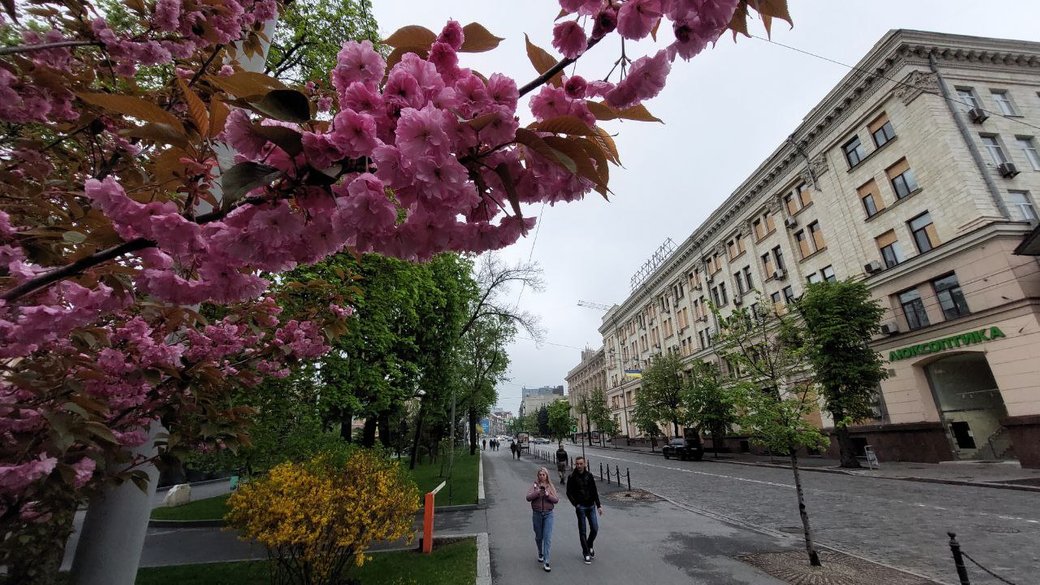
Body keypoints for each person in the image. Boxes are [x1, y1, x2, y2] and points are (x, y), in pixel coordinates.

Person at [566, 456, 602, 565]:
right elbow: (569, 492)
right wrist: (575, 504)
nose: (579, 466)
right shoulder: (572, 477)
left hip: (591, 506)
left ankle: (589, 544)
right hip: (580, 507)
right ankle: (586, 552)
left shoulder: (589, 475)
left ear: (585, 464)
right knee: (582, 531)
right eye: (577, 464)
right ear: (575, 465)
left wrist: (599, 505)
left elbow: (594, 490)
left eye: (581, 464)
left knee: (595, 528)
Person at [526, 467, 559, 572]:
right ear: (538, 476)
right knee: (539, 537)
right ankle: (540, 552)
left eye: (543, 474)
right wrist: (537, 493)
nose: (542, 476)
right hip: (537, 514)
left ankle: (546, 561)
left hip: (548, 514)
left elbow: (556, 500)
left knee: (547, 538)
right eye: (540, 474)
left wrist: (547, 495)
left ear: (547, 476)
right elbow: (528, 497)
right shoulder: (535, 485)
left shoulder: (550, 486)